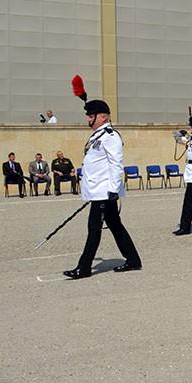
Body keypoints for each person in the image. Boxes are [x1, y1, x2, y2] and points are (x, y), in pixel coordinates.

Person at [63, 98, 141, 279]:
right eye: (88, 116)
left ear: (103, 117)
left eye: (91, 116)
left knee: (94, 228)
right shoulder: (97, 135)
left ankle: (84, 267)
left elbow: (116, 163)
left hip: (105, 192)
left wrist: (113, 189)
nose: (88, 119)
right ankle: (133, 260)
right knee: (115, 225)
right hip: (98, 190)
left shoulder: (110, 136)